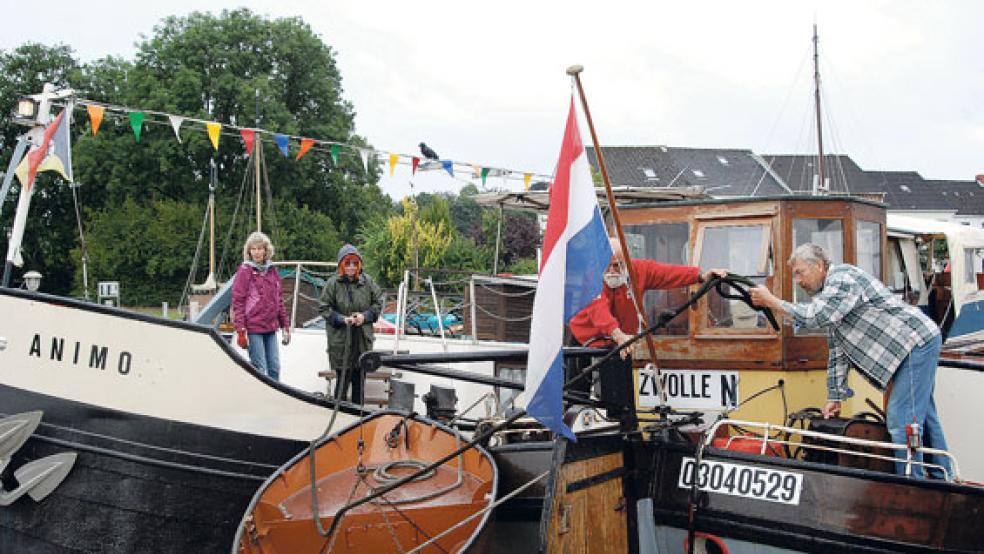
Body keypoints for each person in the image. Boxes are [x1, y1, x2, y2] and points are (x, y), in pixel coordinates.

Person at [749, 243, 949, 479]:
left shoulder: (842, 278)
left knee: (901, 416)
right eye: (795, 275)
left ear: (819, 266)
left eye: (800, 273)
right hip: (911, 346)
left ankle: (912, 483)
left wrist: (772, 301)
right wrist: (835, 396)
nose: (798, 281)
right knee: (923, 416)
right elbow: (838, 350)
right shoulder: (829, 296)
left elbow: (815, 317)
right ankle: (942, 476)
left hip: (915, 343)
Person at [569, 237, 727, 359]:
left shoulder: (638, 271)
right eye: (607, 265)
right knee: (579, 389)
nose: (612, 271)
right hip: (587, 342)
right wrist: (618, 335)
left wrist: (700, 276)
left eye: (617, 265)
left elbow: (666, 273)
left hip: (622, 343)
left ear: (627, 262)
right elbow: (599, 311)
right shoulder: (590, 278)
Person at [319, 244, 382, 403]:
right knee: (342, 383)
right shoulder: (332, 284)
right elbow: (324, 308)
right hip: (341, 342)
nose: (351, 267)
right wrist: (342, 319)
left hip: (362, 341)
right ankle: (339, 413)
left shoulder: (368, 282)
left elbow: (378, 303)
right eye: (347, 263)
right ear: (341, 265)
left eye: (355, 263)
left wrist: (364, 317)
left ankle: (356, 415)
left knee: (359, 383)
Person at [232, 231, 290, 380]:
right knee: (259, 368)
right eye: (253, 249)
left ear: (266, 250)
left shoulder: (273, 271)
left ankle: (274, 394)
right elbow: (238, 302)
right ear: (249, 251)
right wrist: (240, 331)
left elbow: (279, 301)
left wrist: (285, 326)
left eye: (260, 248)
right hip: (253, 328)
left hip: (270, 327)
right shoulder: (244, 271)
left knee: (275, 368)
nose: (256, 252)